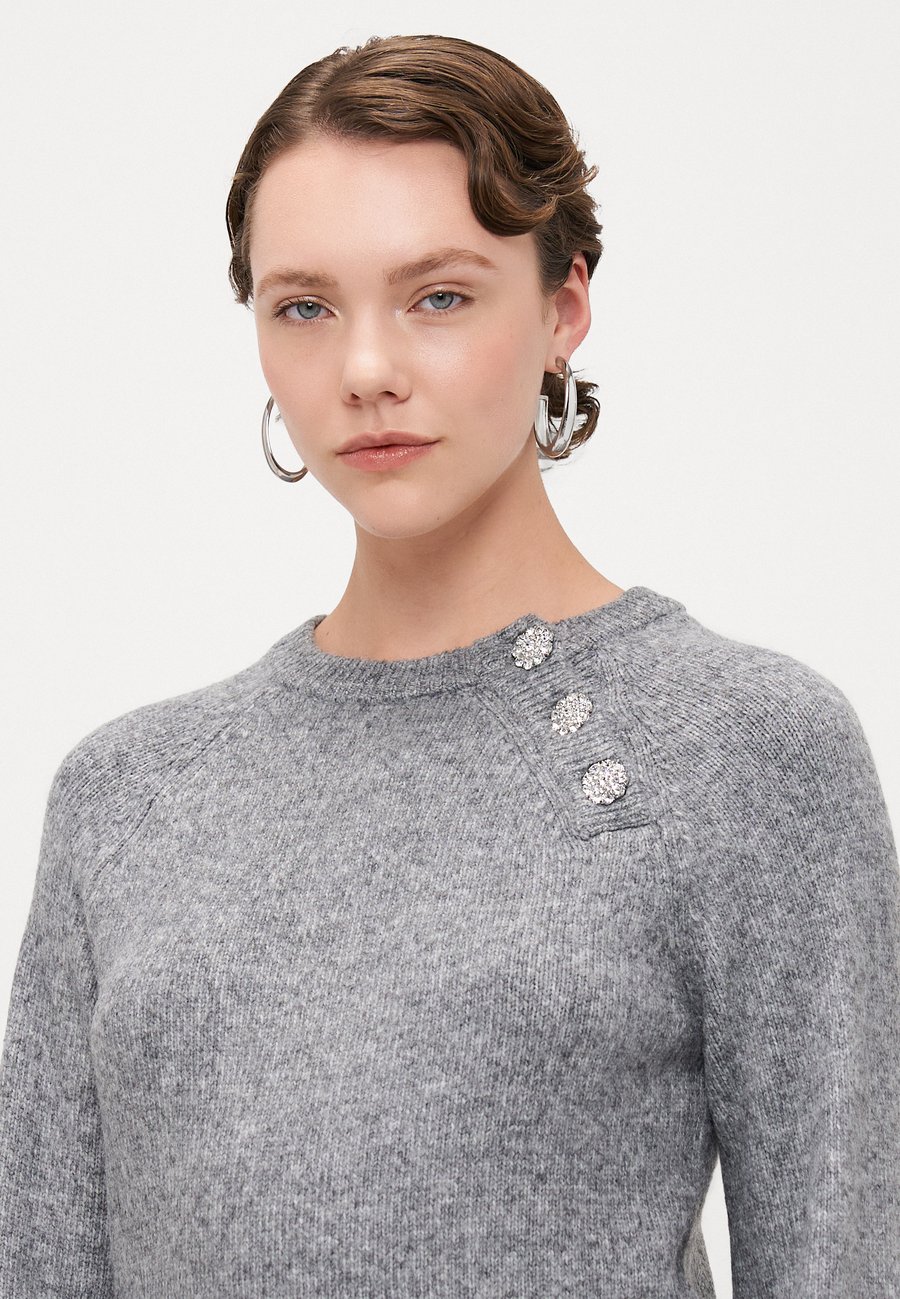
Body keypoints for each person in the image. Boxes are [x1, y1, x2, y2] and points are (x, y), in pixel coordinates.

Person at [0, 32, 897, 1298]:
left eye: (438, 297)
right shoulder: (124, 796)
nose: (365, 372)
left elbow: (843, 1262)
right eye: (304, 307)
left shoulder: (746, 750)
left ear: (563, 308)